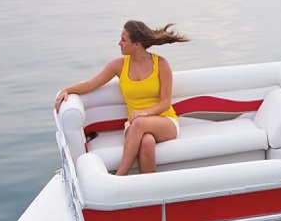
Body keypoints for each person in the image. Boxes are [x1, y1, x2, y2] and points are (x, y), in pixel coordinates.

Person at [54, 20, 189, 175]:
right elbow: (91, 84)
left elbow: (165, 103)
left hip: (165, 122)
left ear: (137, 44)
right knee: (147, 142)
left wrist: (145, 113)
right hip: (133, 125)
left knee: (138, 123)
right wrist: (66, 89)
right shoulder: (118, 66)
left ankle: (119, 177)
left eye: (124, 40)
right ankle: (148, 191)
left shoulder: (161, 64)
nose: (119, 43)